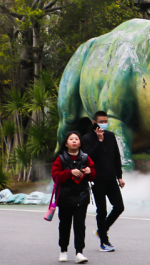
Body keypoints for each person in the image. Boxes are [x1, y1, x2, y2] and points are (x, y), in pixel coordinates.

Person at [81, 111, 125, 252]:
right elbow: (88, 158)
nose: (104, 124)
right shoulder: (87, 138)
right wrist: (99, 141)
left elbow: (116, 156)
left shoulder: (111, 136)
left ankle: (102, 230)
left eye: (106, 121)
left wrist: (119, 175)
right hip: (97, 179)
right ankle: (104, 242)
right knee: (102, 211)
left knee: (119, 206)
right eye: (101, 121)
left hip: (111, 178)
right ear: (94, 122)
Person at [52, 131, 96, 264]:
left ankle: (79, 252)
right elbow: (56, 177)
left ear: (80, 142)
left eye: (76, 139)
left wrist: (89, 172)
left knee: (80, 226)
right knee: (64, 225)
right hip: (64, 197)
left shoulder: (85, 158)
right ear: (66, 143)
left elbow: (93, 175)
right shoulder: (60, 158)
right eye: (71, 139)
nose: (74, 141)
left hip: (81, 196)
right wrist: (69, 172)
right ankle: (63, 251)